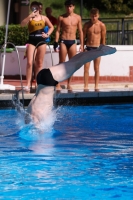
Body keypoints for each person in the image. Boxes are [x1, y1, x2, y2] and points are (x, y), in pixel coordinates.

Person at [25, 45, 116, 125]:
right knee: (74, 62)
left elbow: (39, 129)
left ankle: (102, 51)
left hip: (49, 80)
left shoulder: (38, 119)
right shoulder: (29, 115)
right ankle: (99, 50)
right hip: (42, 79)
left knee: (76, 63)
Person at [21, 1, 54, 91]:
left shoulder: (43, 18)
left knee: (39, 63)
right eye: (33, 8)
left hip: (41, 41)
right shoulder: (30, 18)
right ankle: (27, 84)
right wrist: (29, 16)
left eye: (36, 8)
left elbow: (52, 27)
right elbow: (22, 24)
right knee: (29, 62)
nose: (35, 10)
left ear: (39, 9)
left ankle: (38, 83)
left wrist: (47, 34)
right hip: (32, 41)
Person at [54, 0, 83, 91]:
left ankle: (69, 83)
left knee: (72, 63)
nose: (68, 8)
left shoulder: (78, 18)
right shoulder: (61, 17)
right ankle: (58, 83)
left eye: (70, 6)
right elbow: (58, 30)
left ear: (73, 7)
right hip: (63, 41)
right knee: (61, 62)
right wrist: (55, 42)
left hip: (73, 41)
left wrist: (82, 44)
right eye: (67, 6)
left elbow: (80, 31)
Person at [83, 8, 106, 92]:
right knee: (86, 68)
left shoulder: (101, 25)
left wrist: (102, 48)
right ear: (90, 16)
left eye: (95, 16)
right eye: (92, 16)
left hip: (97, 48)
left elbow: (103, 38)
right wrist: (82, 47)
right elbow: (83, 36)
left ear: (98, 16)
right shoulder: (86, 25)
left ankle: (96, 86)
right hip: (88, 48)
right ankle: (85, 86)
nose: (94, 18)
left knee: (96, 68)